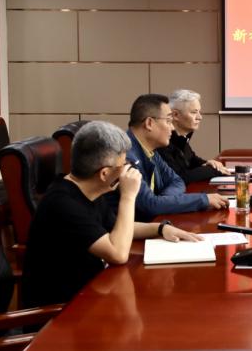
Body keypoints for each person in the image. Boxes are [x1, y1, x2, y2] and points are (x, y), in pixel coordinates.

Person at [22, 121, 202, 307]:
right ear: (104, 173)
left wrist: (161, 229)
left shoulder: (88, 189)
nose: (128, 170)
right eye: (124, 164)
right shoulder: (63, 204)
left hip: (92, 294)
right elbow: (118, 253)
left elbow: (118, 227)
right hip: (63, 311)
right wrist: (128, 196)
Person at [113, 93, 228, 221]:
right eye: (168, 121)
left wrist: (164, 201)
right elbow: (150, 205)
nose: (172, 127)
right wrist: (203, 200)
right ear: (149, 123)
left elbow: (177, 181)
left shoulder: (151, 150)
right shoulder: (125, 157)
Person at [158, 89, 228, 183]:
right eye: (194, 112)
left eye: (199, 112)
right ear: (175, 115)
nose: (199, 117)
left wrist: (209, 163)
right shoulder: (163, 142)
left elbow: (192, 160)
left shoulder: (181, 138)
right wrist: (214, 170)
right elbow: (180, 178)